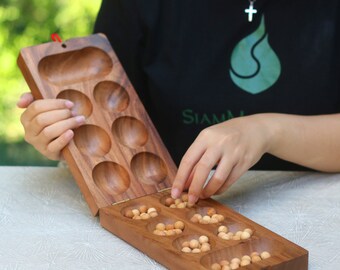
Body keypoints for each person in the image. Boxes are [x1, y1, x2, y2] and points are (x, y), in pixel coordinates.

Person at [17, 0, 340, 205]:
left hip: (313, 204)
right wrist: (59, 132)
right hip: (168, 203)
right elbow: (102, 120)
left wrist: (266, 131)